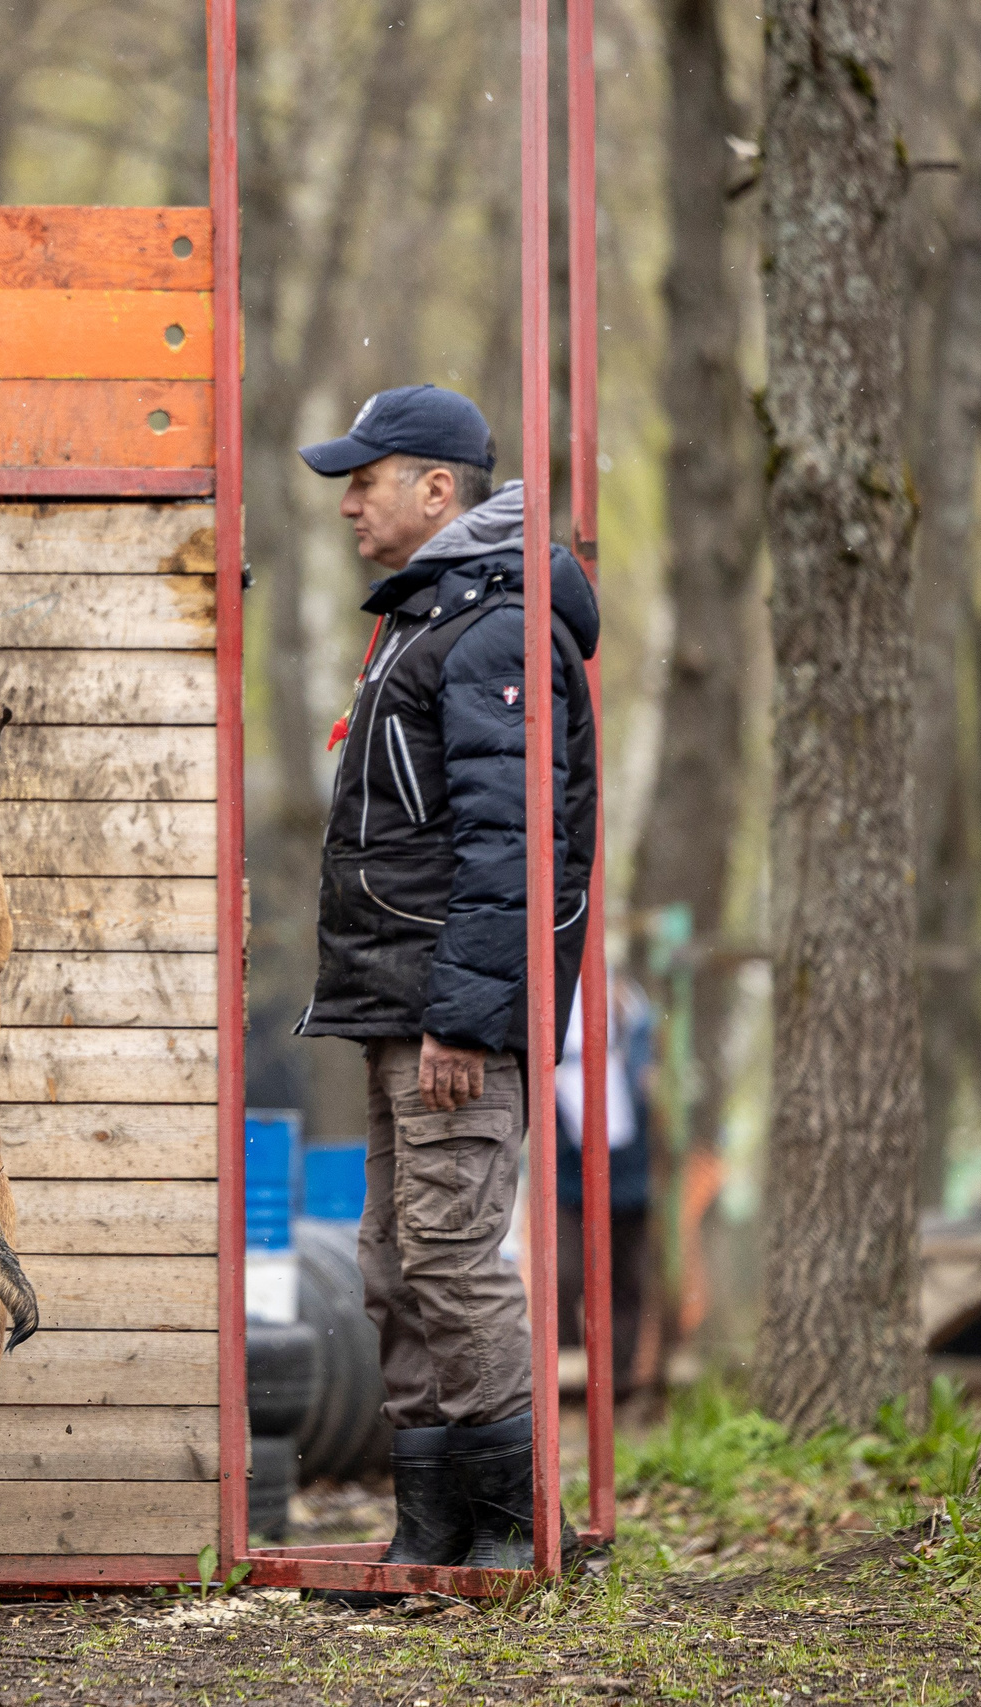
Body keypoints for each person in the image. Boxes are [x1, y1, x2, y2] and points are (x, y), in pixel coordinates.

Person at [292, 384, 600, 1587]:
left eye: (366, 479)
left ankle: (518, 1529)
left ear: (439, 490)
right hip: (399, 1008)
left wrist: (465, 1018)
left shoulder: (492, 637)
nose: (347, 502)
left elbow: (509, 845)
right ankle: (434, 1528)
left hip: (445, 1017)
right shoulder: (434, 626)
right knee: (392, 1263)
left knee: (454, 1261)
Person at [554, 977, 654, 1402]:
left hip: (630, 1184)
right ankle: (575, 1376)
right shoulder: (562, 1036)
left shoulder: (637, 1027)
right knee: (567, 1275)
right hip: (570, 1182)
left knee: (626, 1281)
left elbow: (650, 1090)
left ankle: (620, 1380)